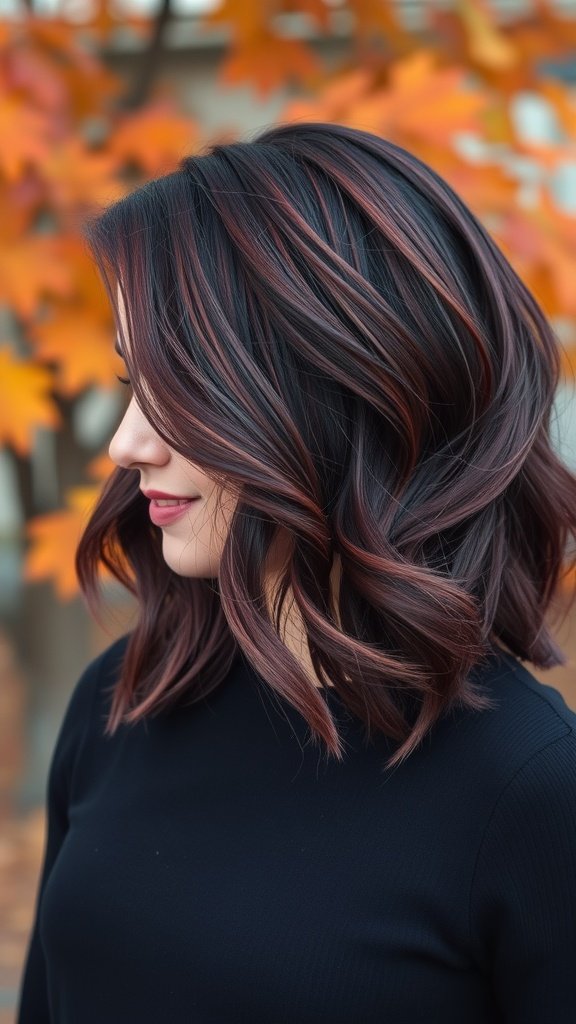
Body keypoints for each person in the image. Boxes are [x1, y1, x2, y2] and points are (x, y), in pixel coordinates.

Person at [17, 121, 576, 1023]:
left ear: (329, 386)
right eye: (131, 384)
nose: (127, 446)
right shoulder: (120, 706)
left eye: (182, 385)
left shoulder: (532, 792)